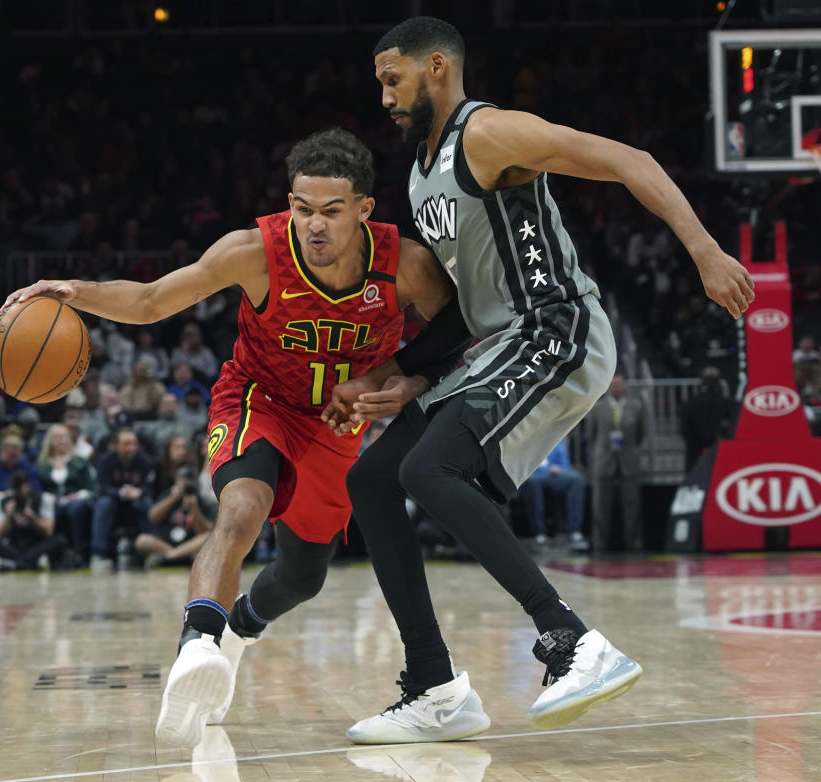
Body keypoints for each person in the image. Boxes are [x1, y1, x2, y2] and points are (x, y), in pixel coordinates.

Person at [322, 17, 754, 740]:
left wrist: (705, 252)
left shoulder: (489, 134)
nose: (386, 96)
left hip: (559, 328)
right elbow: (464, 308)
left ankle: (572, 641)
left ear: (436, 68)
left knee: (432, 469)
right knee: (372, 479)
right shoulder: (421, 171)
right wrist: (400, 373)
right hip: (501, 343)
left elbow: (630, 159)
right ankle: (435, 688)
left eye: (393, 79)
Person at [0, 127, 456, 748]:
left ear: (365, 211)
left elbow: (455, 333)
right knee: (241, 510)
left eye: (331, 211)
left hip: (334, 425)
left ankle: (239, 628)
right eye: (301, 208)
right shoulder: (255, 250)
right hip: (256, 399)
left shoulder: (404, 264)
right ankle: (197, 647)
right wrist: (75, 293)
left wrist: (395, 377)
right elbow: (154, 299)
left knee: (302, 577)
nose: (313, 225)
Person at [588, 375, 647, 552]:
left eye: (620, 386)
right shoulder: (597, 408)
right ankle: (599, 544)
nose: (617, 389)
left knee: (632, 505)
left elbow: (640, 434)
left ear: (625, 388)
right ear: (607, 388)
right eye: (613, 386)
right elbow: (592, 434)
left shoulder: (636, 407)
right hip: (604, 460)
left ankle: (633, 543)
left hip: (628, 460)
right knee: (600, 506)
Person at [90, 427, 155, 570]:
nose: (131, 448)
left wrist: (139, 492)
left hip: (136, 503)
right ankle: (99, 553)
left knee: (147, 502)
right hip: (114, 503)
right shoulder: (105, 461)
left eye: (134, 444)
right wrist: (121, 492)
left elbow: (150, 487)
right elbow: (102, 488)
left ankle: (151, 552)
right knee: (103, 503)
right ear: (115, 446)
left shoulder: (145, 461)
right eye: (126, 444)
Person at [37, 424, 97, 566]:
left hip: (77, 501)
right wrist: (48, 497)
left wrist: (77, 496)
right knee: (46, 510)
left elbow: (91, 487)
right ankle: (49, 555)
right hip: (51, 503)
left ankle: (80, 552)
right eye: (57, 438)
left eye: (64, 437)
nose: (61, 441)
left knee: (76, 509)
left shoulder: (80, 461)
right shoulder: (42, 465)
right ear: (50, 441)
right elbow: (37, 489)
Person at [0, 470, 67, 571]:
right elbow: (0, 534)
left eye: (21, 488)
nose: (19, 493)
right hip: (14, 545)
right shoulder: (3, 501)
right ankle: (29, 563)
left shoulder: (42, 499)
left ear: (28, 485)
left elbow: (48, 531)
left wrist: (32, 518)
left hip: (35, 544)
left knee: (60, 541)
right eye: (16, 489)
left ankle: (13, 564)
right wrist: (8, 516)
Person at [519, 439, 589, 551]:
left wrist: (559, 469)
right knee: (533, 483)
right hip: (534, 474)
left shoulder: (556, 437)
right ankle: (539, 534)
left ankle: (574, 532)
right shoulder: (529, 437)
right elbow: (525, 463)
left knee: (577, 479)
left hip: (554, 475)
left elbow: (564, 463)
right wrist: (547, 469)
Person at [679, 366, 734, 472]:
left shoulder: (690, 404)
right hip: (719, 449)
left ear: (702, 381)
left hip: (695, 450)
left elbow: (684, 429)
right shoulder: (727, 403)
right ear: (718, 381)